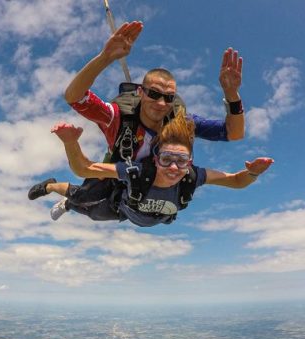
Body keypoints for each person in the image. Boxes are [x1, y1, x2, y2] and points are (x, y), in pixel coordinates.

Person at [55, 21, 246, 218]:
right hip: (119, 172)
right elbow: (74, 97)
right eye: (154, 94)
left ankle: (76, 203)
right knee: (84, 198)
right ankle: (59, 193)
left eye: (169, 97)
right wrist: (105, 58)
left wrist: (232, 94)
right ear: (140, 92)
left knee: (112, 214)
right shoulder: (118, 117)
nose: (162, 103)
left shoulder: (181, 122)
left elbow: (235, 133)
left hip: (152, 184)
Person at [28, 110, 273, 227]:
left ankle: (70, 205)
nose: (174, 168)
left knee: (91, 213)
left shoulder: (192, 176)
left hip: (124, 212)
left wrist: (253, 173)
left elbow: (236, 181)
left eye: (182, 161)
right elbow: (84, 168)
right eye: (167, 159)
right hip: (120, 202)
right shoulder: (138, 171)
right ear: (155, 159)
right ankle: (51, 185)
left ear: (190, 162)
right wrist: (71, 142)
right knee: (83, 195)